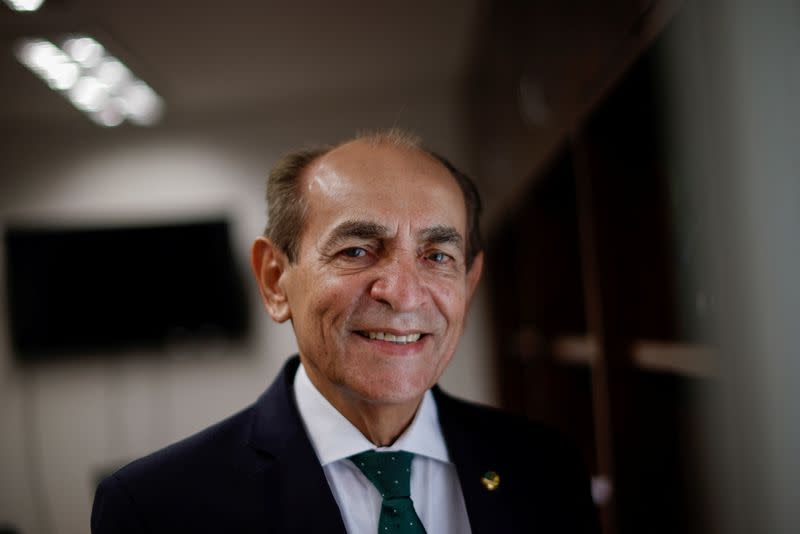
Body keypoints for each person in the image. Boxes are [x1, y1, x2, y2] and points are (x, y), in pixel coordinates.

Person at [91, 130, 599, 533]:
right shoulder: (155, 510)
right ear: (275, 279)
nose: (403, 293)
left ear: (468, 283)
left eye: (437, 256)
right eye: (356, 250)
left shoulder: (547, 470)